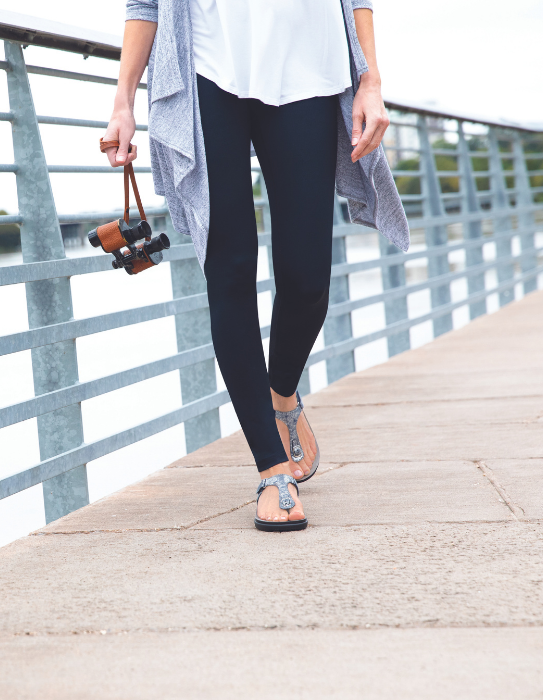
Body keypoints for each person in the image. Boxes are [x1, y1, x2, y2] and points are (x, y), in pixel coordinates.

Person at [103, 0, 409, 531]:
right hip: (207, 69)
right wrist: (124, 100)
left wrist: (371, 80)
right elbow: (145, 4)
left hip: (310, 67)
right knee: (231, 268)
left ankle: (282, 392)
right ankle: (272, 469)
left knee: (308, 277)